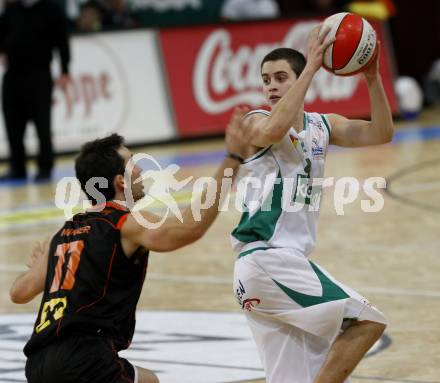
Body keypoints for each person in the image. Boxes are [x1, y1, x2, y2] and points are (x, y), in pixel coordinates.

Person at [9, 107, 250, 383]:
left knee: (149, 380)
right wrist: (233, 159)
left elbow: (19, 292)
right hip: (85, 359)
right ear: (121, 180)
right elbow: (189, 228)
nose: (141, 169)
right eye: (134, 162)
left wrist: (45, 261)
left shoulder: (64, 233)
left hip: (39, 365)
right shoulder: (126, 222)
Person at [231, 25, 393, 383]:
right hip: (268, 258)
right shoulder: (255, 120)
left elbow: (380, 133)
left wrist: (372, 79)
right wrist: (312, 67)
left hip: (277, 267)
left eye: (279, 77)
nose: (270, 86)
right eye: (266, 79)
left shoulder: (322, 125)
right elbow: (273, 131)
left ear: (298, 79)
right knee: (367, 321)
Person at [0, 0, 71, 181]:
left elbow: (62, 42)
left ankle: (45, 167)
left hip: (39, 75)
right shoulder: (11, 10)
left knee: (42, 124)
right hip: (13, 74)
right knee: (13, 124)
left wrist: (64, 70)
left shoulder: (51, 10)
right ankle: (18, 167)